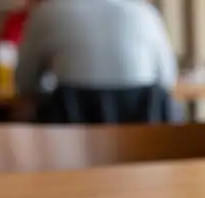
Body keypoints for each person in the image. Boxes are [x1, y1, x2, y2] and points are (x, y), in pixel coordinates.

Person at [15, 0, 182, 123]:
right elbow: (167, 79)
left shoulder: (47, 13)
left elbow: (25, 82)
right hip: (145, 140)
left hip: (69, 142)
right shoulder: (145, 13)